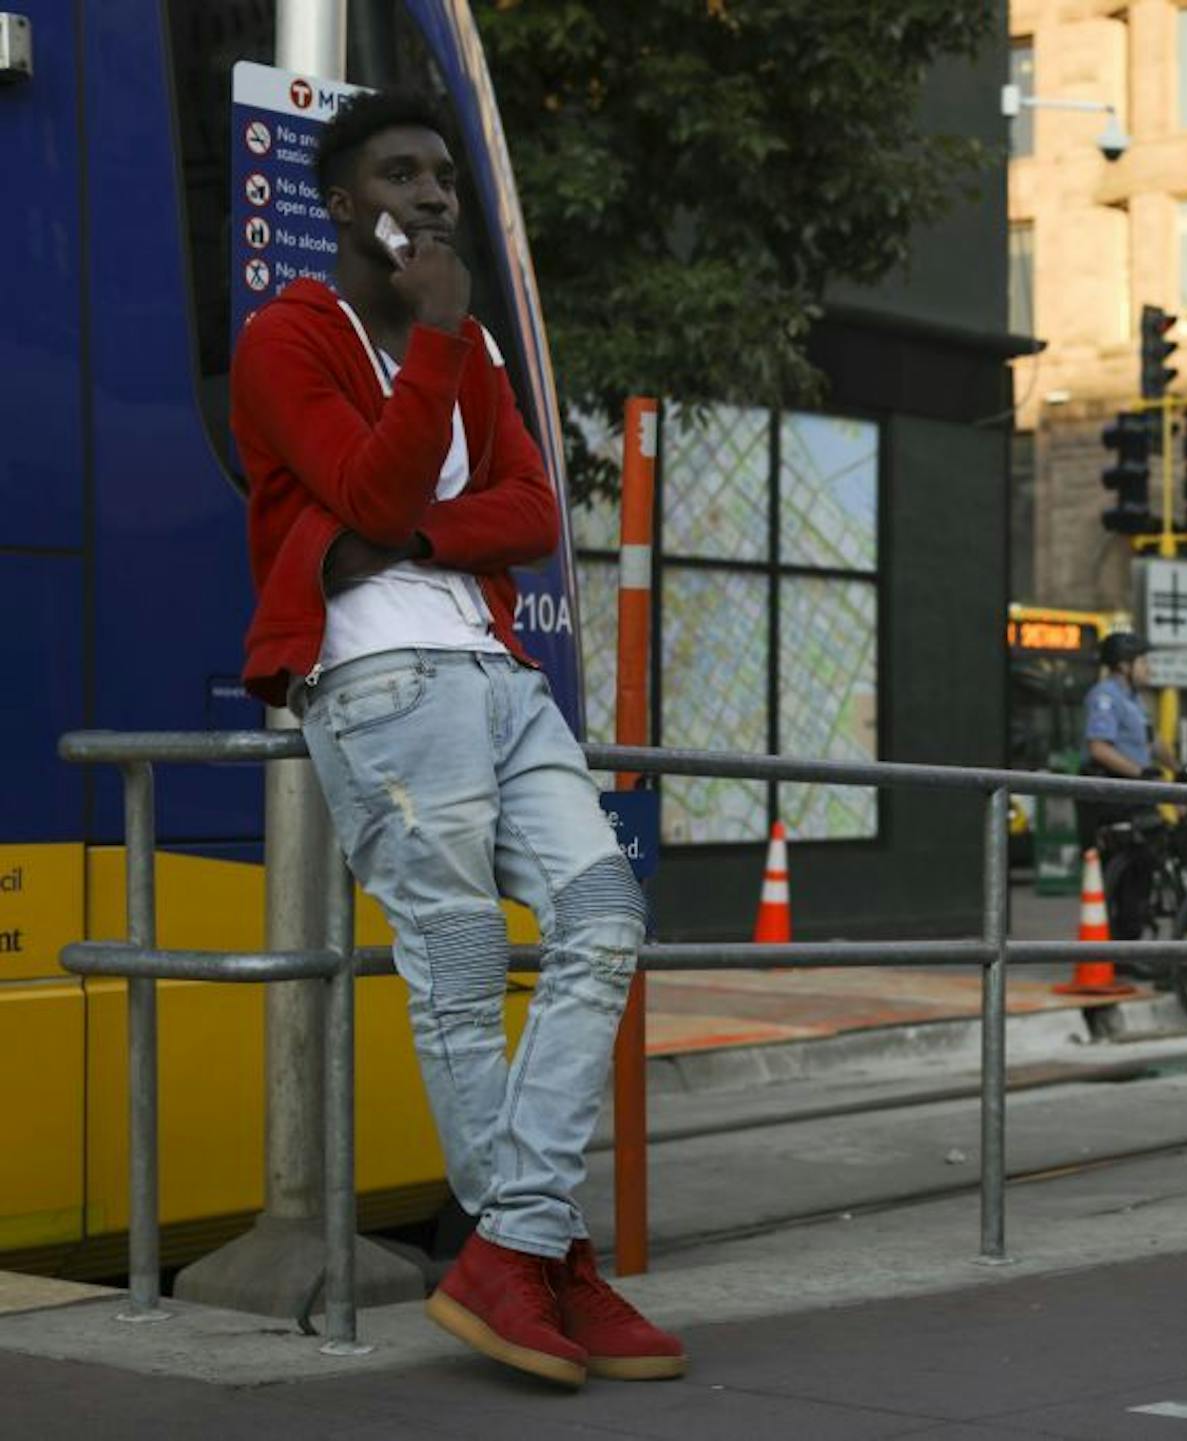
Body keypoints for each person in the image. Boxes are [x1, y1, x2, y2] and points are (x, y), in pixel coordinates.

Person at [231, 91, 682, 1387]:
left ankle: (516, 1248)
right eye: (403, 174)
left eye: (442, 176)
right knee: (464, 956)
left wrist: (420, 536)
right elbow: (368, 483)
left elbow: (532, 509)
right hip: (374, 678)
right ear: (342, 202)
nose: (435, 196)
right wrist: (430, 343)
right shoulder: (287, 340)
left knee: (603, 915)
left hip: (496, 667)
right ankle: (544, 1257)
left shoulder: (475, 349)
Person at [1078, 631, 1180, 937]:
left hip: (1138, 792)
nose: (1148, 668)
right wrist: (1139, 773)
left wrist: (1179, 770)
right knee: (1128, 876)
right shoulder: (1105, 696)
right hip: (1116, 794)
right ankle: (1124, 945)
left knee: (1144, 869)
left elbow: (1154, 742)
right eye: (1143, 662)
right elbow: (1099, 747)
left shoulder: (1135, 700)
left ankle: (1133, 938)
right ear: (1124, 666)